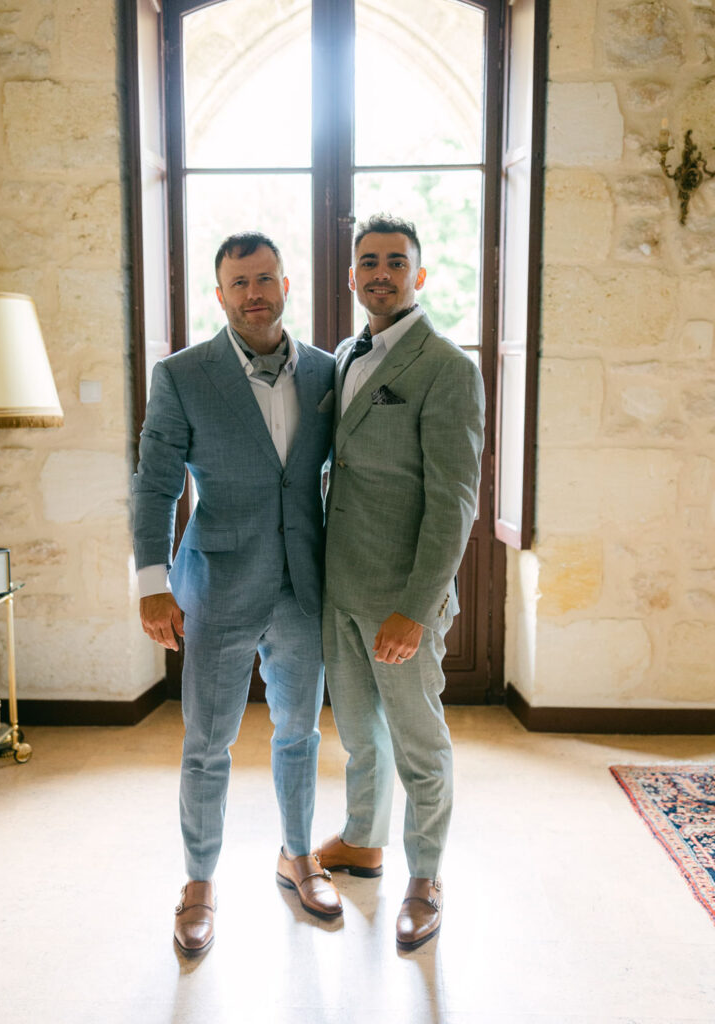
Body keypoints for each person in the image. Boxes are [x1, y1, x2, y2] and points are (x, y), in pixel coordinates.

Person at [133, 231, 341, 957]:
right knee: (207, 742)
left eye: (265, 278)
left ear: (286, 285)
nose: (254, 293)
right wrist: (152, 584)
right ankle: (198, 882)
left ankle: (297, 856)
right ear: (218, 296)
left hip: (302, 584)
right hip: (215, 584)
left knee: (300, 733)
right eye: (238, 283)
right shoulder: (182, 375)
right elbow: (157, 484)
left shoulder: (326, 372)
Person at [314, 214, 485, 951]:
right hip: (338, 585)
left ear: (420, 274)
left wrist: (416, 608)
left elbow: (455, 501)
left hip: (400, 596)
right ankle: (361, 840)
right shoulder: (346, 356)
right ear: (352, 276)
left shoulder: (447, 367)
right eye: (368, 262)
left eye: (396, 261)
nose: (380, 272)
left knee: (417, 740)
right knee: (358, 734)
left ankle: (425, 877)